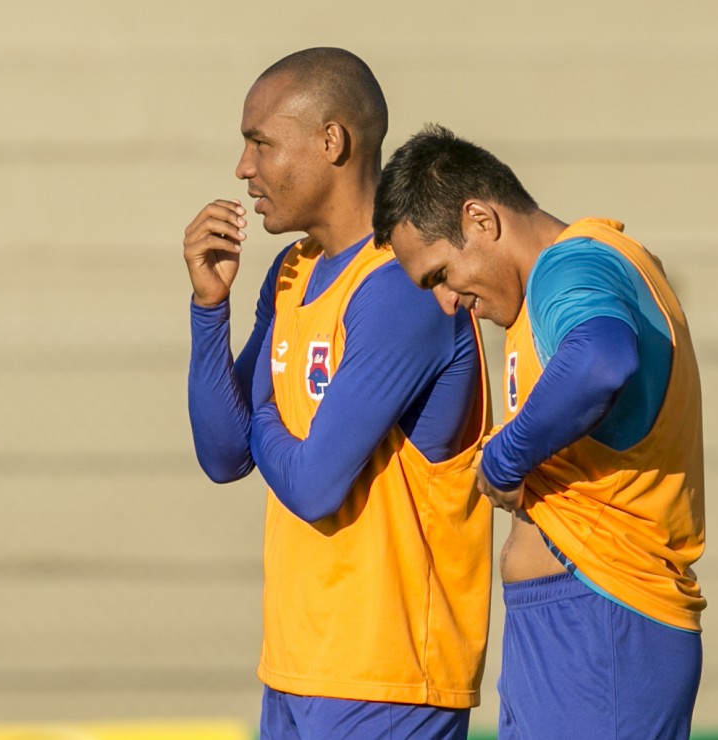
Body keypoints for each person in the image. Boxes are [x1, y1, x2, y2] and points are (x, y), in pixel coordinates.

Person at [183, 51, 494, 739]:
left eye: (260, 142)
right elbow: (223, 455)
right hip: (296, 671)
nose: (242, 168)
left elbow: (315, 484)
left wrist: (262, 407)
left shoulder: (400, 286)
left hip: (390, 680)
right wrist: (210, 311)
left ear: (332, 142)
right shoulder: (292, 273)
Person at [373, 124, 706, 740]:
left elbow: (602, 358)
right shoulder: (554, 288)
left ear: (480, 219)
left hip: (603, 628)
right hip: (576, 630)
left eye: (441, 274)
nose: (446, 301)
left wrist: (504, 459)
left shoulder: (568, 267)